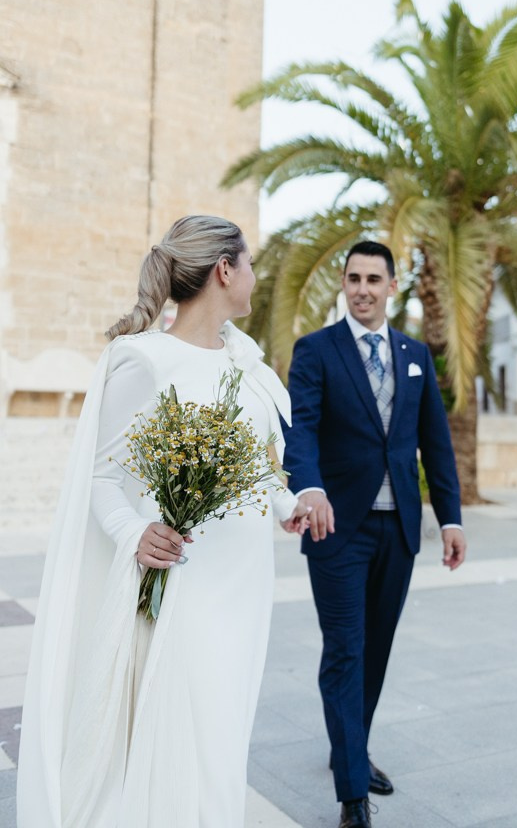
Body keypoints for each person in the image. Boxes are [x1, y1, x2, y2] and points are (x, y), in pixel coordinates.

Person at [17, 215, 314, 828]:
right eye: (250, 263)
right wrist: (134, 533)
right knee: (185, 730)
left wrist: (289, 507)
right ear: (223, 270)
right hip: (183, 586)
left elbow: (255, 466)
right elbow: (101, 478)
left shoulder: (243, 364)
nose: (256, 276)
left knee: (225, 731)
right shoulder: (145, 361)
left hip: (244, 587)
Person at [284, 240, 467, 828]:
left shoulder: (415, 354)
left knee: (376, 650)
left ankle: (352, 750)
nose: (362, 288)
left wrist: (452, 518)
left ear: (393, 286)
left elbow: (435, 441)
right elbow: (302, 430)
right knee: (345, 650)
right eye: (353, 278)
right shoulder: (315, 351)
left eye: (374, 279)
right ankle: (351, 793)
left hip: (400, 530)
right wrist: (307, 489)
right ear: (343, 283)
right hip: (337, 528)